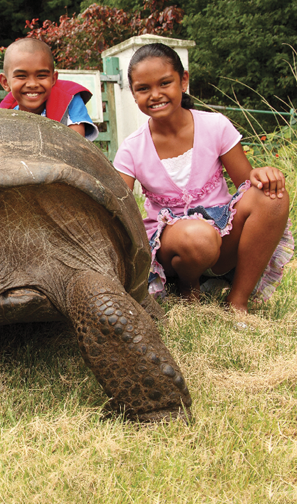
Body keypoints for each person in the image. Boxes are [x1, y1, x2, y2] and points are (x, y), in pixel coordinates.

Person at [113, 42, 292, 312]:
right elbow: (120, 209)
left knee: (272, 197)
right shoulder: (131, 149)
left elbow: (247, 184)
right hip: (175, 245)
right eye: (143, 89)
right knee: (198, 236)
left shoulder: (215, 125)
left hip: (224, 234)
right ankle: (188, 284)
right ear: (133, 94)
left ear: (183, 81)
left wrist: (263, 175)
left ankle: (238, 300)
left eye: (164, 83)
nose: (155, 94)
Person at [0, 38, 99, 140]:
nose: (32, 84)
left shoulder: (69, 100)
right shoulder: (4, 116)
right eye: (21, 76)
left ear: (53, 79)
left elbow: (75, 146)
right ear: (5, 82)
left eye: (41, 75)